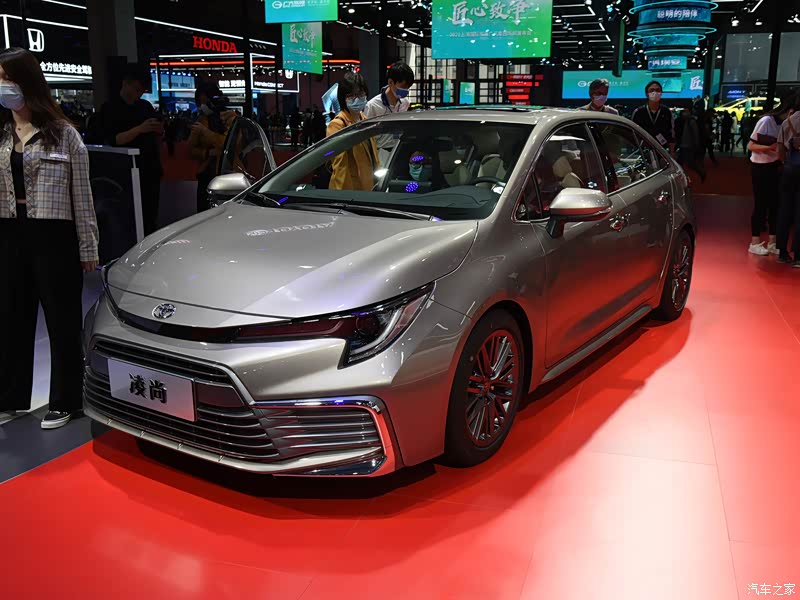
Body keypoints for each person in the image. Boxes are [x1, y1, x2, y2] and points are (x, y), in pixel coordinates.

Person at [0, 47, 99, 429]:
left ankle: (67, 399)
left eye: (6, 78)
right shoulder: (2, 134)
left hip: (54, 233)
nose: (2, 86)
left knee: (61, 319)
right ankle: (10, 396)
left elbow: (82, 196)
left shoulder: (63, 134)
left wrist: (88, 247)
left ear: (26, 82)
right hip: (10, 230)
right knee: (12, 315)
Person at [96, 63, 163, 235]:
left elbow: (158, 134)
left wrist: (158, 129)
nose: (138, 94)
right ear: (125, 83)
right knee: (129, 218)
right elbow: (114, 140)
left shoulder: (145, 106)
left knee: (150, 216)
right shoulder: (110, 109)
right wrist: (140, 129)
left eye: (141, 91)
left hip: (150, 170)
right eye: (136, 89)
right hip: (125, 173)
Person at [747, 97, 795, 256]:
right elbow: (751, 145)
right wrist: (770, 147)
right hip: (760, 167)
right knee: (761, 205)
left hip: (776, 166)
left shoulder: (786, 124)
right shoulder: (766, 121)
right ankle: (754, 242)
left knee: (775, 205)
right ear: (789, 110)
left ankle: (773, 242)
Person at [188, 83, 237, 214]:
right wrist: (208, 153)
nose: (202, 106)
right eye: (200, 103)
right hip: (206, 174)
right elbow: (190, 150)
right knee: (204, 212)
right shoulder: (201, 121)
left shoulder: (230, 118)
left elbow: (228, 144)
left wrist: (206, 133)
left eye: (205, 102)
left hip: (229, 173)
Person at [326, 71, 379, 191]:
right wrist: (345, 196)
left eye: (360, 94)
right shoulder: (337, 125)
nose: (356, 99)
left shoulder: (365, 120)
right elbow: (340, 167)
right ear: (343, 98)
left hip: (369, 187)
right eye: (351, 96)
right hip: (350, 191)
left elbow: (374, 155)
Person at [364, 61, 415, 165]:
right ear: (390, 82)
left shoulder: (405, 103)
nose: (405, 90)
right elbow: (366, 138)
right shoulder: (373, 106)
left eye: (408, 87)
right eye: (403, 87)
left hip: (399, 152)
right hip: (380, 154)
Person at [775, 93, 800, 264]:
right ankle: (798, 256)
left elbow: (780, 150)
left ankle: (782, 252)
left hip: (790, 168)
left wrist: (786, 162)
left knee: (784, 209)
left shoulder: (787, 122)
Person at [632, 81, 675, 154]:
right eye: (652, 90)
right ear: (647, 94)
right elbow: (632, 133)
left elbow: (671, 134)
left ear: (661, 93)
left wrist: (672, 153)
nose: (655, 93)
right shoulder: (638, 112)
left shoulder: (666, 111)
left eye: (658, 90)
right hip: (643, 151)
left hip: (663, 150)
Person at [675, 105, 706, 182]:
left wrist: (695, 144)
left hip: (689, 145)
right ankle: (683, 177)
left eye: (686, 111)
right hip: (684, 145)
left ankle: (701, 173)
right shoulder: (686, 121)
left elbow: (695, 134)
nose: (684, 113)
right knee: (681, 162)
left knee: (689, 163)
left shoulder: (691, 121)